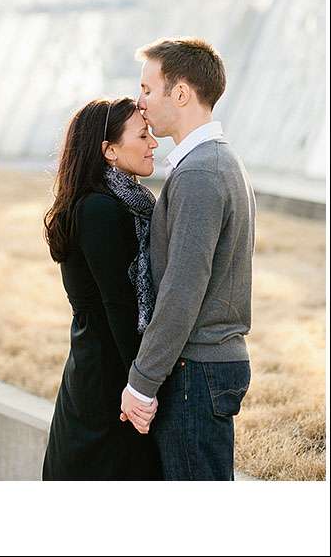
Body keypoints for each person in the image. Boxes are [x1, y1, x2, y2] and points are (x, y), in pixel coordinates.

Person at [120, 38, 254, 480]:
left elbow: (182, 289)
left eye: (148, 89)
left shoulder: (201, 171)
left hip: (196, 371)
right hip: (205, 366)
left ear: (180, 94)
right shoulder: (213, 161)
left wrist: (142, 383)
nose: (140, 102)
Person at [42, 97, 162, 480]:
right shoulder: (99, 209)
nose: (153, 144)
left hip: (98, 366)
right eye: (143, 135)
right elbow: (119, 306)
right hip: (107, 382)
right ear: (109, 150)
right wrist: (144, 383)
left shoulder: (119, 202)